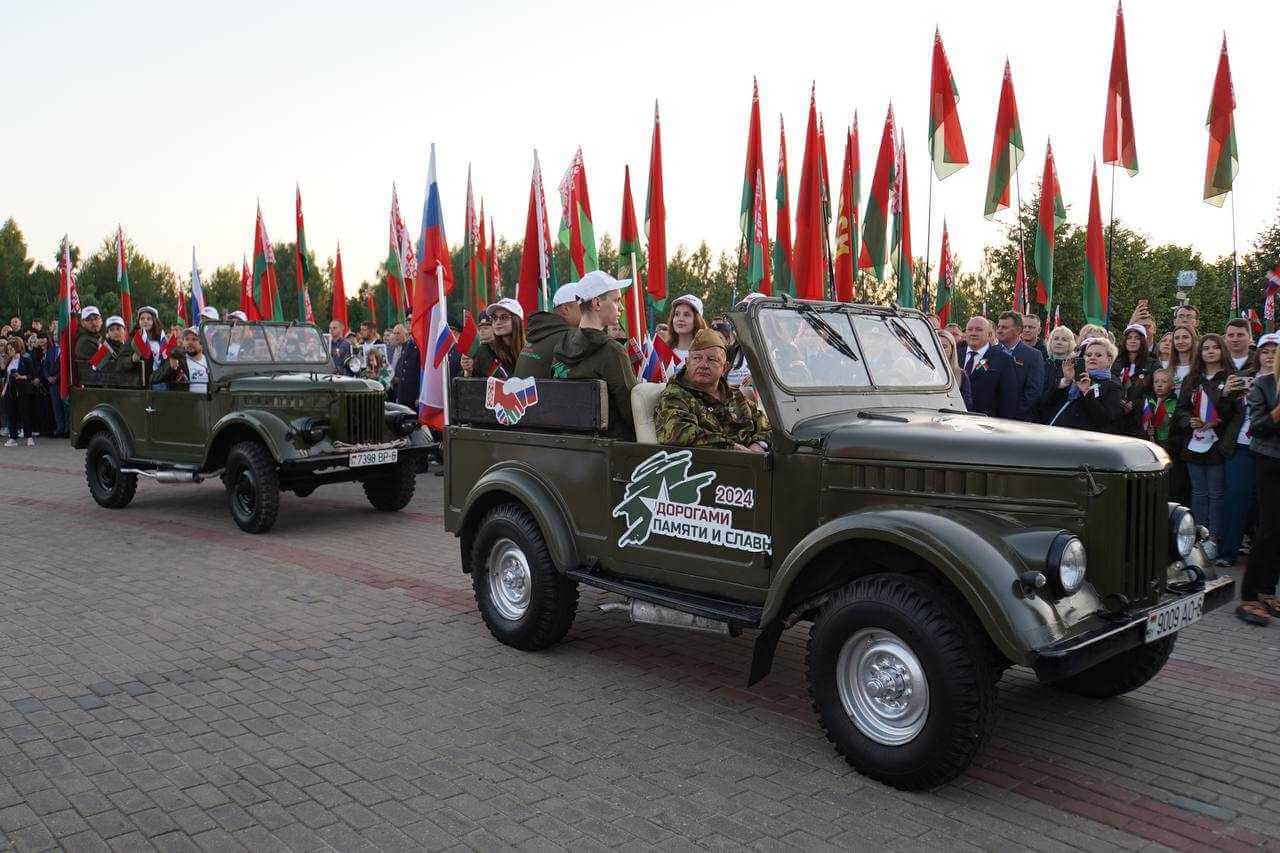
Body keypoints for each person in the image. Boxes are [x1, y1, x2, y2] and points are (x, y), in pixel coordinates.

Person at [553, 270, 638, 441]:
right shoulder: (612, 350)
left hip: (566, 442)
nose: (621, 307)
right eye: (616, 301)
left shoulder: (562, 344)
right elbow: (632, 411)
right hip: (610, 446)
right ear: (597, 303)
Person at [655, 328, 770, 450]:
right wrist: (733, 448)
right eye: (697, 358)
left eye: (711, 359)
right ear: (687, 363)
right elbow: (678, 433)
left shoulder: (734, 395)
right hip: (709, 465)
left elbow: (765, 423)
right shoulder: (675, 395)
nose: (703, 365)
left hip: (753, 463)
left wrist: (758, 444)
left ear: (725, 367)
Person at [1175, 333, 1238, 549]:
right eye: (1205, 348)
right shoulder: (1192, 379)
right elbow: (1181, 409)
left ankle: (1214, 538)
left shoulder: (1230, 378)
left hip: (1217, 445)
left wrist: (1225, 398)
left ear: (1222, 350)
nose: (1210, 352)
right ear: (1200, 353)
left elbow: (1233, 414)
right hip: (1193, 444)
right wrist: (1188, 421)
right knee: (1198, 492)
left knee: (1216, 493)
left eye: (1214, 348)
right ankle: (1198, 536)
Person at [1237, 333, 1280, 624]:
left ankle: (1267, 589)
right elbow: (1259, 428)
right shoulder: (1264, 385)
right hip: (1270, 460)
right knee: (1267, 529)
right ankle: (1249, 595)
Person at [1219, 324, 1260, 566]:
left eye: (1240, 335)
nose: (1235, 339)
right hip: (1237, 444)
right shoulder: (1221, 366)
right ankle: (1228, 552)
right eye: (1231, 335)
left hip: (1268, 444)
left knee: (1261, 501)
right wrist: (1225, 394)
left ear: (1250, 338)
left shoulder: (1263, 365)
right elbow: (1219, 412)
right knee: (1236, 497)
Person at [1042, 337, 1125, 432]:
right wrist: (1065, 381)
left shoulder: (1113, 386)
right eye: (1089, 355)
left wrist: (1086, 392)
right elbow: (1046, 405)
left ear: (1109, 359)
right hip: (1057, 433)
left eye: (1098, 355)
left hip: (1085, 440)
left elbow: (1104, 419)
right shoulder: (1075, 377)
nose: (1092, 358)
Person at [514, 282, 579, 379]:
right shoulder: (568, 336)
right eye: (583, 305)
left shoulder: (543, 331)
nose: (589, 309)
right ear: (565, 309)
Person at [956, 316, 1017, 418]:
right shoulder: (955, 355)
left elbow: (1009, 399)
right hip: (954, 420)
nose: (973, 333)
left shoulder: (1003, 360)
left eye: (979, 330)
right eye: (970, 329)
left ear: (989, 335)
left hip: (986, 424)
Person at [994, 311, 1045, 421]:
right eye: (998, 326)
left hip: (1018, 420)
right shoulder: (991, 352)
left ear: (1017, 330)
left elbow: (1033, 391)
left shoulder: (1034, 356)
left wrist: (1014, 414)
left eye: (1004, 327)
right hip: (991, 417)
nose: (999, 330)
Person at [1111, 324, 1159, 438]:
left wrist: (1136, 404)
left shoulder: (1153, 363)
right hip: (1116, 420)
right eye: (1129, 338)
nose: (1132, 341)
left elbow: (1156, 392)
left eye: (1137, 338)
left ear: (1143, 341)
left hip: (1140, 421)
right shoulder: (1115, 362)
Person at [464, 298, 525, 379]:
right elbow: (471, 387)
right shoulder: (485, 351)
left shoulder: (530, 351)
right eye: (495, 318)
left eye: (504, 317)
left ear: (517, 321)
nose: (498, 322)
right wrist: (468, 372)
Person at [1036, 326, 1077, 422]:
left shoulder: (1075, 366)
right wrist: (1058, 385)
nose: (1059, 342)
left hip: (1066, 420)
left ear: (1070, 344)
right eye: (1056, 339)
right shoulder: (1041, 365)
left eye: (1064, 340)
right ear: (1050, 342)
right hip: (1042, 419)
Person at [2, 338, 36, 446]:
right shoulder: (9, 361)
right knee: (11, 413)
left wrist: (22, 376)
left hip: (22, 390)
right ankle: (13, 437)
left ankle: (29, 436)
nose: (9, 351)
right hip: (10, 390)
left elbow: (32, 375)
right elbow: (6, 377)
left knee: (25, 413)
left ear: (17, 348)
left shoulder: (26, 360)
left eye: (11, 348)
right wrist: (4, 390)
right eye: (8, 349)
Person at [152, 328, 209, 393]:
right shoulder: (178, 360)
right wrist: (170, 367)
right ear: (183, 342)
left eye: (194, 339)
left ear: (203, 343)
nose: (189, 342)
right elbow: (153, 378)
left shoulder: (210, 362)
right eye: (186, 339)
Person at [661, 294, 707, 362]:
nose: (680, 319)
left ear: (697, 320)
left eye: (686, 315)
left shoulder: (706, 353)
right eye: (677, 314)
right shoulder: (662, 351)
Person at [1144, 368, 1179, 453]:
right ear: (1152, 385)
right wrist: (1147, 429)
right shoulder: (1148, 402)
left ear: (1172, 385)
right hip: (1151, 444)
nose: (1159, 385)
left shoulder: (1176, 403)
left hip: (1170, 446)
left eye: (1164, 382)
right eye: (1156, 382)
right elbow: (1143, 422)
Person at [936, 329, 971, 410]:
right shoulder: (924, 372)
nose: (940, 349)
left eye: (944, 347)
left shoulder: (961, 375)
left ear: (952, 350)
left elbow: (967, 405)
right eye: (937, 345)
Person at [129, 306, 164, 385]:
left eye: (149, 319)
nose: (145, 321)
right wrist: (132, 360)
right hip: (139, 386)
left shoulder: (162, 340)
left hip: (159, 384)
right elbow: (121, 363)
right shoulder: (132, 339)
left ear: (154, 321)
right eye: (142, 319)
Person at [1166, 326, 1196, 393]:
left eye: (1185, 337)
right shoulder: (1167, 367)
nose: (1180, 341)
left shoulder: (1200, 366)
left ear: (1193, 339)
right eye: (1176, 338)